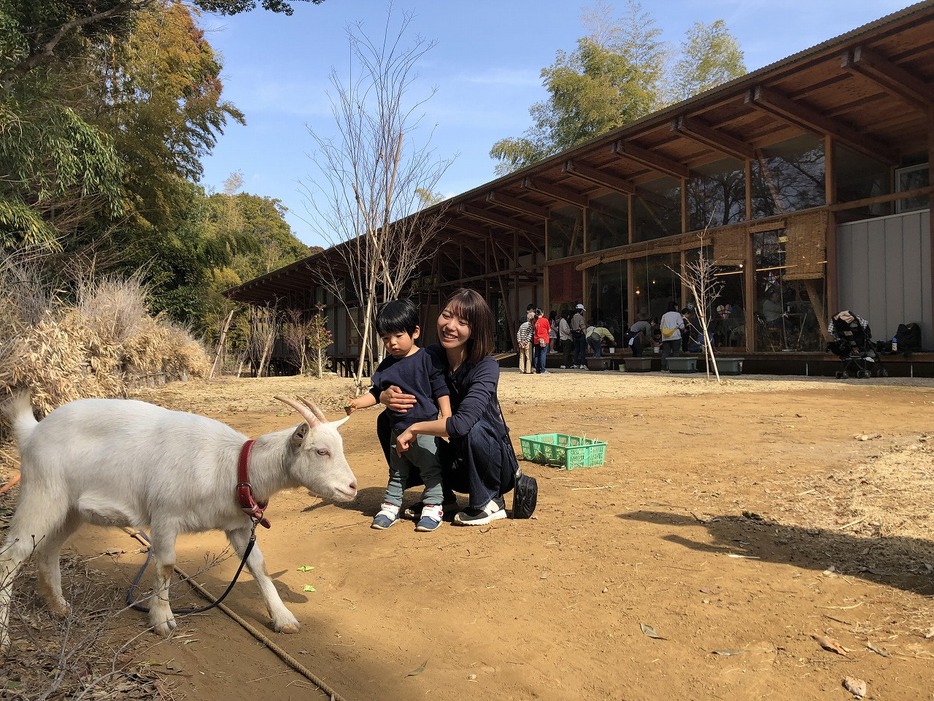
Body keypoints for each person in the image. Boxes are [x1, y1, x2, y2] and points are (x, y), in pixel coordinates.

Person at [381, 288, 533, 526]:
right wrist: (384, 395)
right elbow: (394, 375)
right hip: (455, 463)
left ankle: (490, 500)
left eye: (462, 321)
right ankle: (442, 494)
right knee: (388, 419)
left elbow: (461, 424)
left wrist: (415, 428)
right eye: (447, 315)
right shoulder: (429, 356)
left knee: (473, 428)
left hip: (490, 462)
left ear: (475, 330)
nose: (450, 326)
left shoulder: (486, 367)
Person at [345, 299, 452, 532]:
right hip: (397, 431)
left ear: (415, 332)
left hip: (424, 431)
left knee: (431, 470)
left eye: (398, 335)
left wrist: (446, 415)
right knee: (396, 472)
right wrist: (357, 403)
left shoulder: (427, 359)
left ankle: (434, 506)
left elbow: (440, 389)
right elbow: (375, 393)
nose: (392, 343)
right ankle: (391, 506)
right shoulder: (385, 367)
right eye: (385, 338)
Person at [659, 301, 685, 370]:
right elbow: (682, 326)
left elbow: (661, 327)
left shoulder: (664, 315)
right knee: (675, 352)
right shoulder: (677, 315)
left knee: (665, 352)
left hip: (665, 337)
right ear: (675, 307)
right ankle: (675, 367)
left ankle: (663, 367)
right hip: (675, 336)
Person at [532, 307, 551, 374]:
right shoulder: (545, 320)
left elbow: (534, 330)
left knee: (537, 354)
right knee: (543, 354)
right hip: (544, 339)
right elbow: (549, 330)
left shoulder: (534, 321)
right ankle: (543, 369)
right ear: (542, 313)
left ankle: (537, 369)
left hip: (537, 339)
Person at [516, 308, 534, 374]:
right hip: (527, 343)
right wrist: (525, 342)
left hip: (521, 342)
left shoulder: (521, 326)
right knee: (528, 357)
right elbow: (530, 335)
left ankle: (521, 369)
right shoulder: (530, 325)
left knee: (521, 356)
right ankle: (528, 370)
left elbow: (518, 333)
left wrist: (520, 342)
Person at [570, 302, 587, 369]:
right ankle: (582, 363)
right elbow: (583, 326)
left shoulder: (573, 317)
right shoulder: (580, 317)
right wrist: (586, 335)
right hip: (581, 334)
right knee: (582, 350)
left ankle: (575, 363)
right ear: (581, 310)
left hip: (574, 334)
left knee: (576, 349)